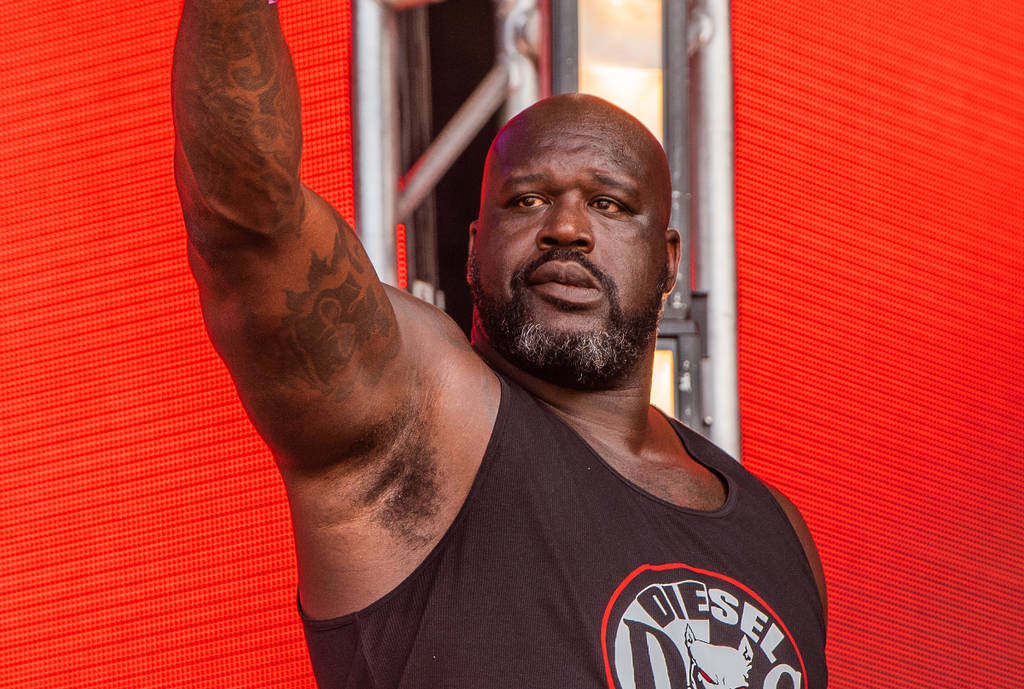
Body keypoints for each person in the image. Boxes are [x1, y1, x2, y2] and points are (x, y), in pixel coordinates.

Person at [173, 2, 828, 687]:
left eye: (608, 203)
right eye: (527, 201)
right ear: (473, 247)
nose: (567, 228)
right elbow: (245, 222)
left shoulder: (774, 530)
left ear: (669, 262)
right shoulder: (420, 419)